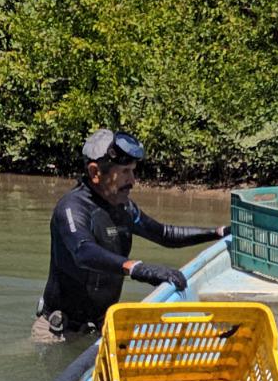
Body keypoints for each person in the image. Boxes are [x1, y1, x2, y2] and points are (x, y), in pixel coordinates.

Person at [33, 129, 228, 343]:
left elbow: (164, 234)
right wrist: (135, 267)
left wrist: (217, 232)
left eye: (133, 171)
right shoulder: (72, 208)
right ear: (95, 172)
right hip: (58, 333)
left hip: (100, 328)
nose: (133, 180)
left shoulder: (125, 208)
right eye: (125, 171)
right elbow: (83, 251)